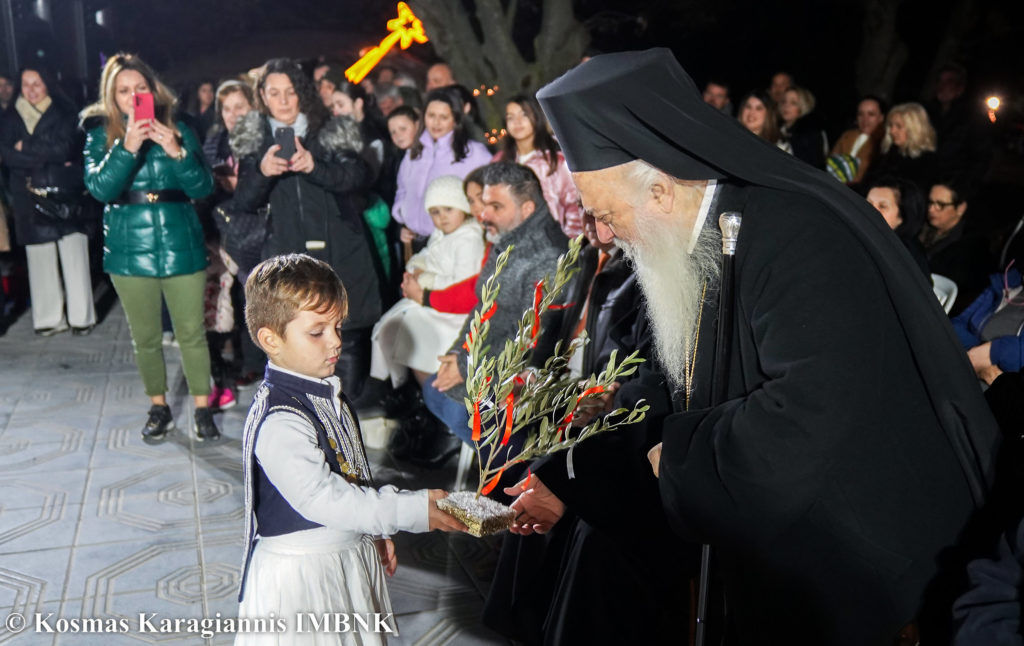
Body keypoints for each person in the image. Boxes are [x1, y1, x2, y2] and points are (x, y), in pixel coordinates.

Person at [528, 48, 999, 645]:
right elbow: (683, 383)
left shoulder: (798, 236)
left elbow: (806, 414)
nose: (607, 235)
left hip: (864, 552)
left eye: (608, 215)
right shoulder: (693, 237)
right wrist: (573, 476)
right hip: (782, 529)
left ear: (661, 192)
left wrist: (676, 459)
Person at [235, 253, 467, 645]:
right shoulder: (281, 422)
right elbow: (323, 498)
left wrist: (372, 530)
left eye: (338, 326)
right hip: (305, 579)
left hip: (340, 555)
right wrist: (408, 510)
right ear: (270, 339)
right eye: (317, 331)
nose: (336, 341)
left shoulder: (324, 390)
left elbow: (351, 477)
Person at [81, 53, 220, 443]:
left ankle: (202, 408)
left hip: (180, 239)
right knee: (144, 337)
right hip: (128, 245)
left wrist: (176, 151)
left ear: (152, 90)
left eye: (140, 88)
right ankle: (158, 406)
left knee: (192, 332)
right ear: (113, 97)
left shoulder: (180, 128)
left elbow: (203, 188)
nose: (133, 96)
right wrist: (125, 147)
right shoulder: (99, 134)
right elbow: (100, 190)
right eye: (124, 91)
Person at [232, 58, 380, 401]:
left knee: (344, 336)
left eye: (291, 91)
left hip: (340, 251)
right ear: (263, 97)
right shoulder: (254, 141)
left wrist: (314, 165)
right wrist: (263, 171)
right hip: (286, 258)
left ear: (303, 94)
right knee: (292, 338)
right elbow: (242, 201)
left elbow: (358, 177)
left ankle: (346, 418)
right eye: (274, 93)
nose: (283, 101)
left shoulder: (330, 130)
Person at [419, 161, 568, 463]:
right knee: (432, 389)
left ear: (527, 209)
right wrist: (457, 357)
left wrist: (464, 366)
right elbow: (481, 306)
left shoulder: (547, 257)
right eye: (484, 204)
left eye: (495, 206)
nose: (483, 215)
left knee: (457, 410)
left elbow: (530, 339)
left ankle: (520, 477)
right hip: (483, 361)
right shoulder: (507, 239)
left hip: (516, 375)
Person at [0, 65, 96, 336]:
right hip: (27, 195)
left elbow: (66, 148)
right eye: (25, 84)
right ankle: (49, 319)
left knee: (74, 255)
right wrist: (47, 154)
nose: (30, 90)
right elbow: (7, 154)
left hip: (62, 192)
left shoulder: (65, 112)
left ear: (48, 84)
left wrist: (27, 147)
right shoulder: (9, 117)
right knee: (40, 259)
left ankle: (81, 317)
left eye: (36, 83)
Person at [369, 175, 484, 389]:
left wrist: (423, 280)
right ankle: (399, 383)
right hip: (431, 298)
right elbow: (424, 256)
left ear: (463, 208)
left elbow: (462, 282)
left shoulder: (469, 239)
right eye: (435, 212)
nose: (442, 217)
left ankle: (429, 387)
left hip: (453, 310)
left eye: (449, 209)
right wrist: (415, 270)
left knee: (410, 327)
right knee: (389, 324)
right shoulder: (441, 234)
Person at [392, 87, 490, 246]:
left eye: (443, 117)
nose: (436, 123)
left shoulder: (474, 153)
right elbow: (402, 188)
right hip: (415, 241)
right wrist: (402, 216)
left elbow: (488, 192)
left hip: (453, 241)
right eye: (431, 116)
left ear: (455, 119)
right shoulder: (415, 152)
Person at [497, 94, 582, 238]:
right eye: (510, 117)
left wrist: (569, 243)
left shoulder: (556, 159)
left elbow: (574, 204)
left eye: (524, 115)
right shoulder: (503, 162)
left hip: (557, 240)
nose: (517, 122)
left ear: (537, 116)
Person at [919, 177, 992, 316]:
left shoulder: (971, 245)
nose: (932, 209)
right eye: (930, 202)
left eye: (940, 204)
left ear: (960, 208)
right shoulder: (919, 226)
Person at [864, 175, 930, 277]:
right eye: (868, 203)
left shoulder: (904, 256)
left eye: (882, 206)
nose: (870, 210)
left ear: (902, 217)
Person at [866, 102, 938, 192]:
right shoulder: (888, 154)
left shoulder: (927, 161)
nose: (892, 131)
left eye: (898, 126)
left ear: (914, 129)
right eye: (891, 125)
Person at [829, 95, 886, 184]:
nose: (865, 119)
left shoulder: (884, 143)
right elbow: (832, 162)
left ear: (881, 118)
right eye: (861, 114)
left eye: (871, 114)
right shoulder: (847, 136)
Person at [778, 86, 827, 168]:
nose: (786, 106)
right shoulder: (777, 130)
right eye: (784, 101)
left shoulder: (810, 133)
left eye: (793, 103)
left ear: (803, 106)